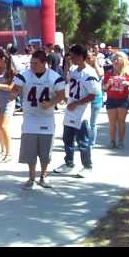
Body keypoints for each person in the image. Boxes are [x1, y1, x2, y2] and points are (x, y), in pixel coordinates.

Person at [11, 50, 65, 189]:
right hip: (30, 117)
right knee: (30, 150)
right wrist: (13, 92)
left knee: (45, 151)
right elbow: (16, 88)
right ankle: (31, 177)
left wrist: (51, 102)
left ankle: (44, 176)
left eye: (35, 63)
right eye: (31, 63)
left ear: (44, 63)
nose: (32, 66)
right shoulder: (24, 75)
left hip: (46, 118)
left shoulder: (54, 77)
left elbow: (61, 95)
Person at [53, 44, 101, 178]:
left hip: (81, 112)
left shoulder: (90, 73)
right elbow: (69, 81)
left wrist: (77, 103)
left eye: (73, 55)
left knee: (83, 141)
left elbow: (93, 94)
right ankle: (69, 163)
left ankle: (87, 166)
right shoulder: (74, 69)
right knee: (67, 138)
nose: (71, 58)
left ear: (81, 56)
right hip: (70, 109)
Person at [103, 51, 129, 149]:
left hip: (123, 100)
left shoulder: (128, 73)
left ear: (123, 61)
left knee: (121, 122)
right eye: (114, 59)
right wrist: (108, 84)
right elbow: (103, 88)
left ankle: (121, 141)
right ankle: (112, 141)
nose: (115, 61)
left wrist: (128, 84)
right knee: (112, 122)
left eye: (117, 59)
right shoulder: (109, 73)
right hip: (111, 99)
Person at [86, 48, 105, 147]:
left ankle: (91, 143)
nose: (88, 60)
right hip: (84, 98)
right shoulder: (83, 69)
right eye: (86, 58)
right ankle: (84, 140)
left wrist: (95, 62)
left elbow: (101, 74)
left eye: (89, 58)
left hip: (96, 98)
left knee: (93, 122)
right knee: (84, 122)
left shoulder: (98, 68)